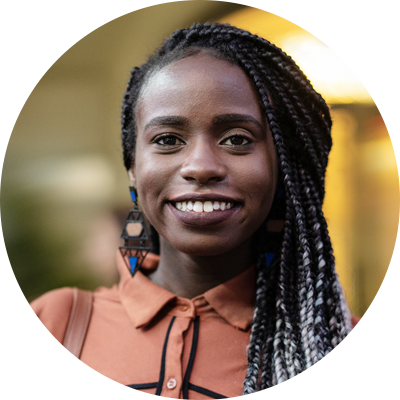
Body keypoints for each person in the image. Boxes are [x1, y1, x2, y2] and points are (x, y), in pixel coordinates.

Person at [30, 22, 353, 399]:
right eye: (168, 140)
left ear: (283, 168)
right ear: (133, 167)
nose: (200, 166)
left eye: (237, 140)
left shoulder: (352, 355)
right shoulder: (53, 325)